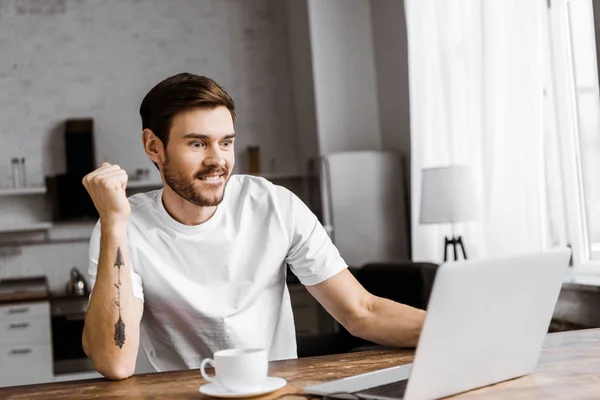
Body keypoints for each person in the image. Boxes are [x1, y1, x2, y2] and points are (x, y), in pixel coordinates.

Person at [81, 72, 426, 380]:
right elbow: (116, 363)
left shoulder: (275, 205)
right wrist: (113, 222)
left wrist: (457, 330)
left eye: (226, 142)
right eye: (197, 143)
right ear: (154, 146)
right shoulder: (125, 227)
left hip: (276, 394)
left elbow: (361, 312)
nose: (218, 160)